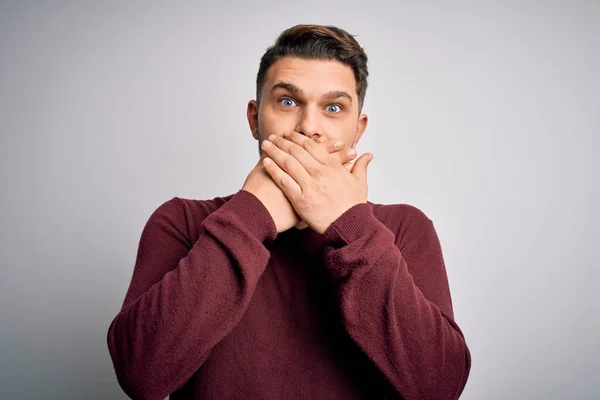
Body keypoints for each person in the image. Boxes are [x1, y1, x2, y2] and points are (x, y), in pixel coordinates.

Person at [107, 24, 471, 400]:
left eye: (333, 108)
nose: (308, 127)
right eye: (287, 102)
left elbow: (439, 388)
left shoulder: (403, 228)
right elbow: (141, 376)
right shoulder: (182, 222)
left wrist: (353, 227)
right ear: (254, 118)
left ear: (357, 130)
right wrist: (250, 216)